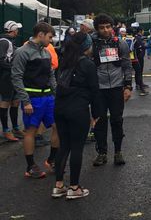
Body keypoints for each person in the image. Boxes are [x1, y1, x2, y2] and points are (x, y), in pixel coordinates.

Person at [52, 32, 99, 200]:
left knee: (64, 146)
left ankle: (58, 185)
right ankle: (74, 187)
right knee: (77, 147)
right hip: (78, 108)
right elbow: (94, 90)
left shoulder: (64, 61)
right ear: (87, 46)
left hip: (60, 107)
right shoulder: (87, 64)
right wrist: (96, 113)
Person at [11, 22, 59, 179]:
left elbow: (51, 74)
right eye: (50, 37)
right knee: (30, 131)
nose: (51, 40)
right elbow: (16, 77)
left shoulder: (46, 52)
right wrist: (25, 101)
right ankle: (30, 166)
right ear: (41, 34)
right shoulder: (22, 52)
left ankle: (52, 160)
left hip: (48, 98)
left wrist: (56, 93)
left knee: (57, 126)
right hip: (33, 99)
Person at [91, 14, 133, 167]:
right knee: (99, 121)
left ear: (112, 27)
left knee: (117, 120)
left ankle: (118, 151)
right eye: (102, 28)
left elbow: (127, 66)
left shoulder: (120, 43)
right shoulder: (92, 44)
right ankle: (102, 153)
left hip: (116, 87)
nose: (106, 30)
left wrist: (128, 86)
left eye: (108, 27)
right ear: (97, 29)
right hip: (98, 89)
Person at [1, 21, 23, 141]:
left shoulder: (10, 41)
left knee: (15, 102)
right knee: (5, 102)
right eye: (17, 29)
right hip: (6, 78)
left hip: (12, 77)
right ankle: (6, 130)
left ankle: (15, 128)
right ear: (13, 30)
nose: (18, 31)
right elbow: (1, 60)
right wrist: (13, 68)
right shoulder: (4, 41)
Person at [132, 28, 149, 96]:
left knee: (137, 71)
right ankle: (140, 85)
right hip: (138, 56)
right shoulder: (138, 38)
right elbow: (142, 46)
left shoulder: (134, 37)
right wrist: (147, 46)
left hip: (135, 56)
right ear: (140, 31)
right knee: (139, 71)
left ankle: (138, 84)